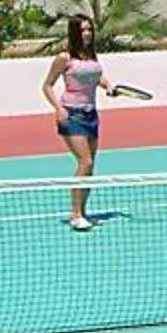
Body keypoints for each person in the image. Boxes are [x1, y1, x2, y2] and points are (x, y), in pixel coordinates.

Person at [41, 15, 113, 232]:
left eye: (89, 29)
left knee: (90, 166)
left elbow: (96, 77)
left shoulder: (91, 57)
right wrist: (59, 109)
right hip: (72, 115)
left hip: (91, 115)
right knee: (85, 162)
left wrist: (108, 85)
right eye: (83, 30)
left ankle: (83, 210)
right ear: (74, 32)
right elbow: (47, 86)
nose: (87, 33)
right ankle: (75, 214)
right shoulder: (64, 58)